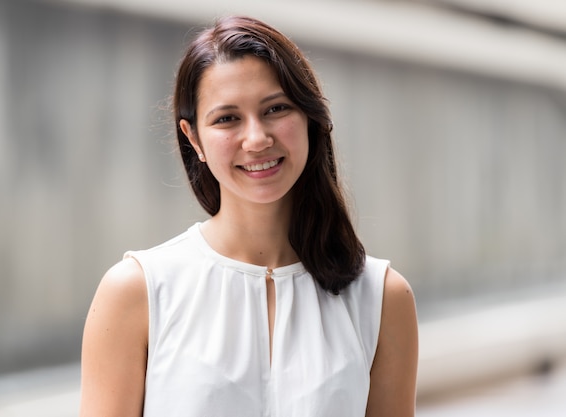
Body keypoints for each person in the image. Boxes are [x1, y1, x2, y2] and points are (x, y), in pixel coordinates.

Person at [80, 15, 418, 417]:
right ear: (194, 139)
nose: (257, 138)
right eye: (227, 118)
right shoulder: (137, 292)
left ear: (309, 120)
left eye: (275, 109)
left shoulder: (381, 298)